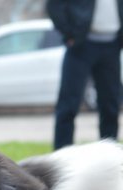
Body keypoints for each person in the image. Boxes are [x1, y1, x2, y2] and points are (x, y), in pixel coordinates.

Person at [48, 0, 123, 149]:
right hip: (81, 45)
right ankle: (62, 157)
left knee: (111, 106)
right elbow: (54, 5)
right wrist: (69, 33)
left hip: (112, 46)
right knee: (68, 105)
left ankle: (110, 155)